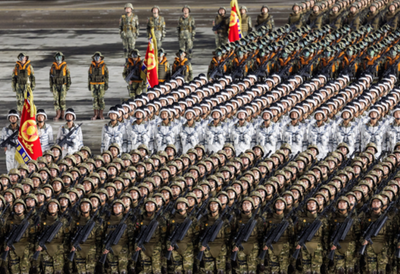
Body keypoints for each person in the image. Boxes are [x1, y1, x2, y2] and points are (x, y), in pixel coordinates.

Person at [69, 199, 103, 274]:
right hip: (78, 250)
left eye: (87, 205)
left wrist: (98, 254)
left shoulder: (95, 223)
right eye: (82, 205)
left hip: (91, 251)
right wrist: (73, 245)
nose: (84, 207)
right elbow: (70, 236)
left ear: (90, 207)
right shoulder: (75, 222)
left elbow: (99, 240)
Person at [166, 197, 199, 274]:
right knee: (177, 271)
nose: (181, 206)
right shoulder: (171, 220)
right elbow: (166, 234)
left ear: (187, 207)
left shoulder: (192, 219)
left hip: (188, 247)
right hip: (174, 248)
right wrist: (169, 244)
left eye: (183, 204)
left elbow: (197, 234)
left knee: (188, 271)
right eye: (179, 204)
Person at [328, 196, 360, 274]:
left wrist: (357, 249)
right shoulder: (333, 219)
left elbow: (358, 234)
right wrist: (331, 245)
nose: (342, 205)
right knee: (339, 270)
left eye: (344, 203)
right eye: (340, 203)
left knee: (350, 270)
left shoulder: (353, 219)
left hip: (350, 247)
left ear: (348, 205)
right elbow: (328, 234)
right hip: (336, 247)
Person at [3, 199, 37, 274]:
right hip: (12, 251)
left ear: (24, 208)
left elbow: (33, 238)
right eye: (16, 206)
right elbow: (4, 235)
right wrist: (6, 245)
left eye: (21, 206)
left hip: (25, 250)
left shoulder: (29, 222)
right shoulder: (9, 221)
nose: (18, 208)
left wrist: (31, 252)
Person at [198, 198, 231, 273]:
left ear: (219, 207)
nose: (213, 206)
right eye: (211, 204)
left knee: (221, 271)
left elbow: (228, 236)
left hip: (221, 248)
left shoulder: (224, 221)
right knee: (208, 271)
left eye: (215, 204)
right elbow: (200, 234)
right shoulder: (204, 220)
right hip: (207, 248)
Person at [134, 198, 166, 274]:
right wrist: (137, 244)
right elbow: (135, 233)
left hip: (156, 248)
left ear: (155, 206)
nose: (149, 206)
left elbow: (163, 235)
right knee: (146, 270)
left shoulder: (160, 219)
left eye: (152, 204)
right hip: (143, 247)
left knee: (156, 270)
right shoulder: (140, 218)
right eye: (147, 204)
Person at [35, 199, 68, 274]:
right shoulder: (42, 221)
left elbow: (67, 237)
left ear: (58, 208)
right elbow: (36, 236)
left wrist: (64, 249)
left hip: (59, 252)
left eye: (55, 205)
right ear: (47, 208)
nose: (52, 207)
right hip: (45, 252)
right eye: (50, 205)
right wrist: (39, 246)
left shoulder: (63, 221)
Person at [49, 52, 71, 120]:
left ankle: (62, 114)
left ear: (62, 58)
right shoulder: (53, 66)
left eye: (60, 57)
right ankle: (58, 114)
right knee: (56, 100)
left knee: (62, 100)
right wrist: (51, 86)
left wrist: (68, 86)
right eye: (57, 57)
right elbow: (50, 77)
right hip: (55, 85)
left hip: (63, 85)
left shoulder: (65, 66)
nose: (58, 59)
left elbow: (68, 77)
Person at [88, 51, 109, 120]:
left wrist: (106, 85)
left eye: (98, 57)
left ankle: (101, 114)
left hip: (101, 85)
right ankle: (95, 114)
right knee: (94, 100)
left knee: (101, 99)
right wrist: (89, 85)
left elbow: (106, 76)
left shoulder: (104, 66)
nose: (97, 59)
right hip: (93, 84)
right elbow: (89, 76)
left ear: (100, 58)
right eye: (95, 57)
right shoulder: (91, 66)